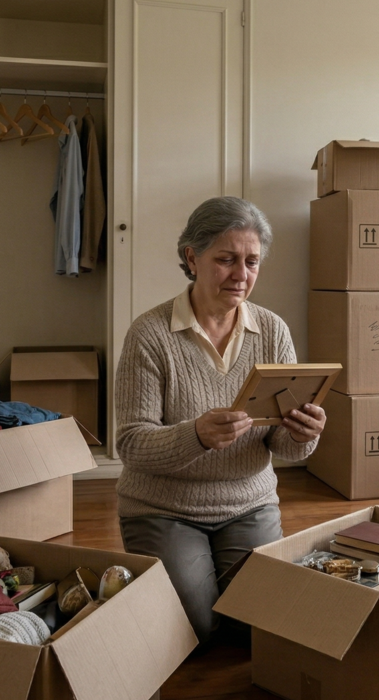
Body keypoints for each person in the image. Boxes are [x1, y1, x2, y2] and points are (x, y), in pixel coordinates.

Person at [114, 196, 326, 644]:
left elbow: (282, 447)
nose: (241, 275)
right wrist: (196, 435)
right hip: (163, 509)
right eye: (226, 260)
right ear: (192, 258)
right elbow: (131, 444)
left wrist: (303, 435)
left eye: (252, 261)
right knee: (199, 629)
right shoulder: (149, 334)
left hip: (248, 505)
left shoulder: (273, 331)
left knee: (257, 628)